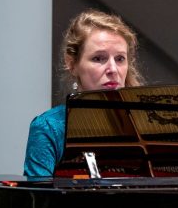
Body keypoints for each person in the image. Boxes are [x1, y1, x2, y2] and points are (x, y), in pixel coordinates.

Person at [23, 9, 145, 177]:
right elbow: (40, 199)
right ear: (72, 63)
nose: (113, 69)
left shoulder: (146, 123)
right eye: (98, 58)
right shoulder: (49, 128)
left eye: (120, 59)